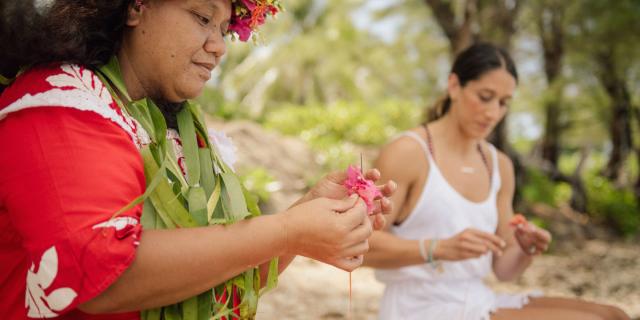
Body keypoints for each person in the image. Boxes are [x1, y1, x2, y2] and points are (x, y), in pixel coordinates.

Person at [0, 1, 394, 319]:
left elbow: (218, 287)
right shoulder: (59, 104)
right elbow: (103, 280)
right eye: (203, 18)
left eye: (224, 29)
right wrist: (288, 231)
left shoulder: (177, 132)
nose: (219, 46)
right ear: (137, 7)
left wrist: (307, 215)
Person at [363, 43, 630, 320]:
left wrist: (525, 249)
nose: (493, 113)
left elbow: (504, 269)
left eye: (503, 102)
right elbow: (361, 246)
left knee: (614, 315)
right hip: (420, 306)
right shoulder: (408, 152)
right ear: (454, 86)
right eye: (485, 96)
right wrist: (437, 248)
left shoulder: (499, 164)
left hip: (477, 298)